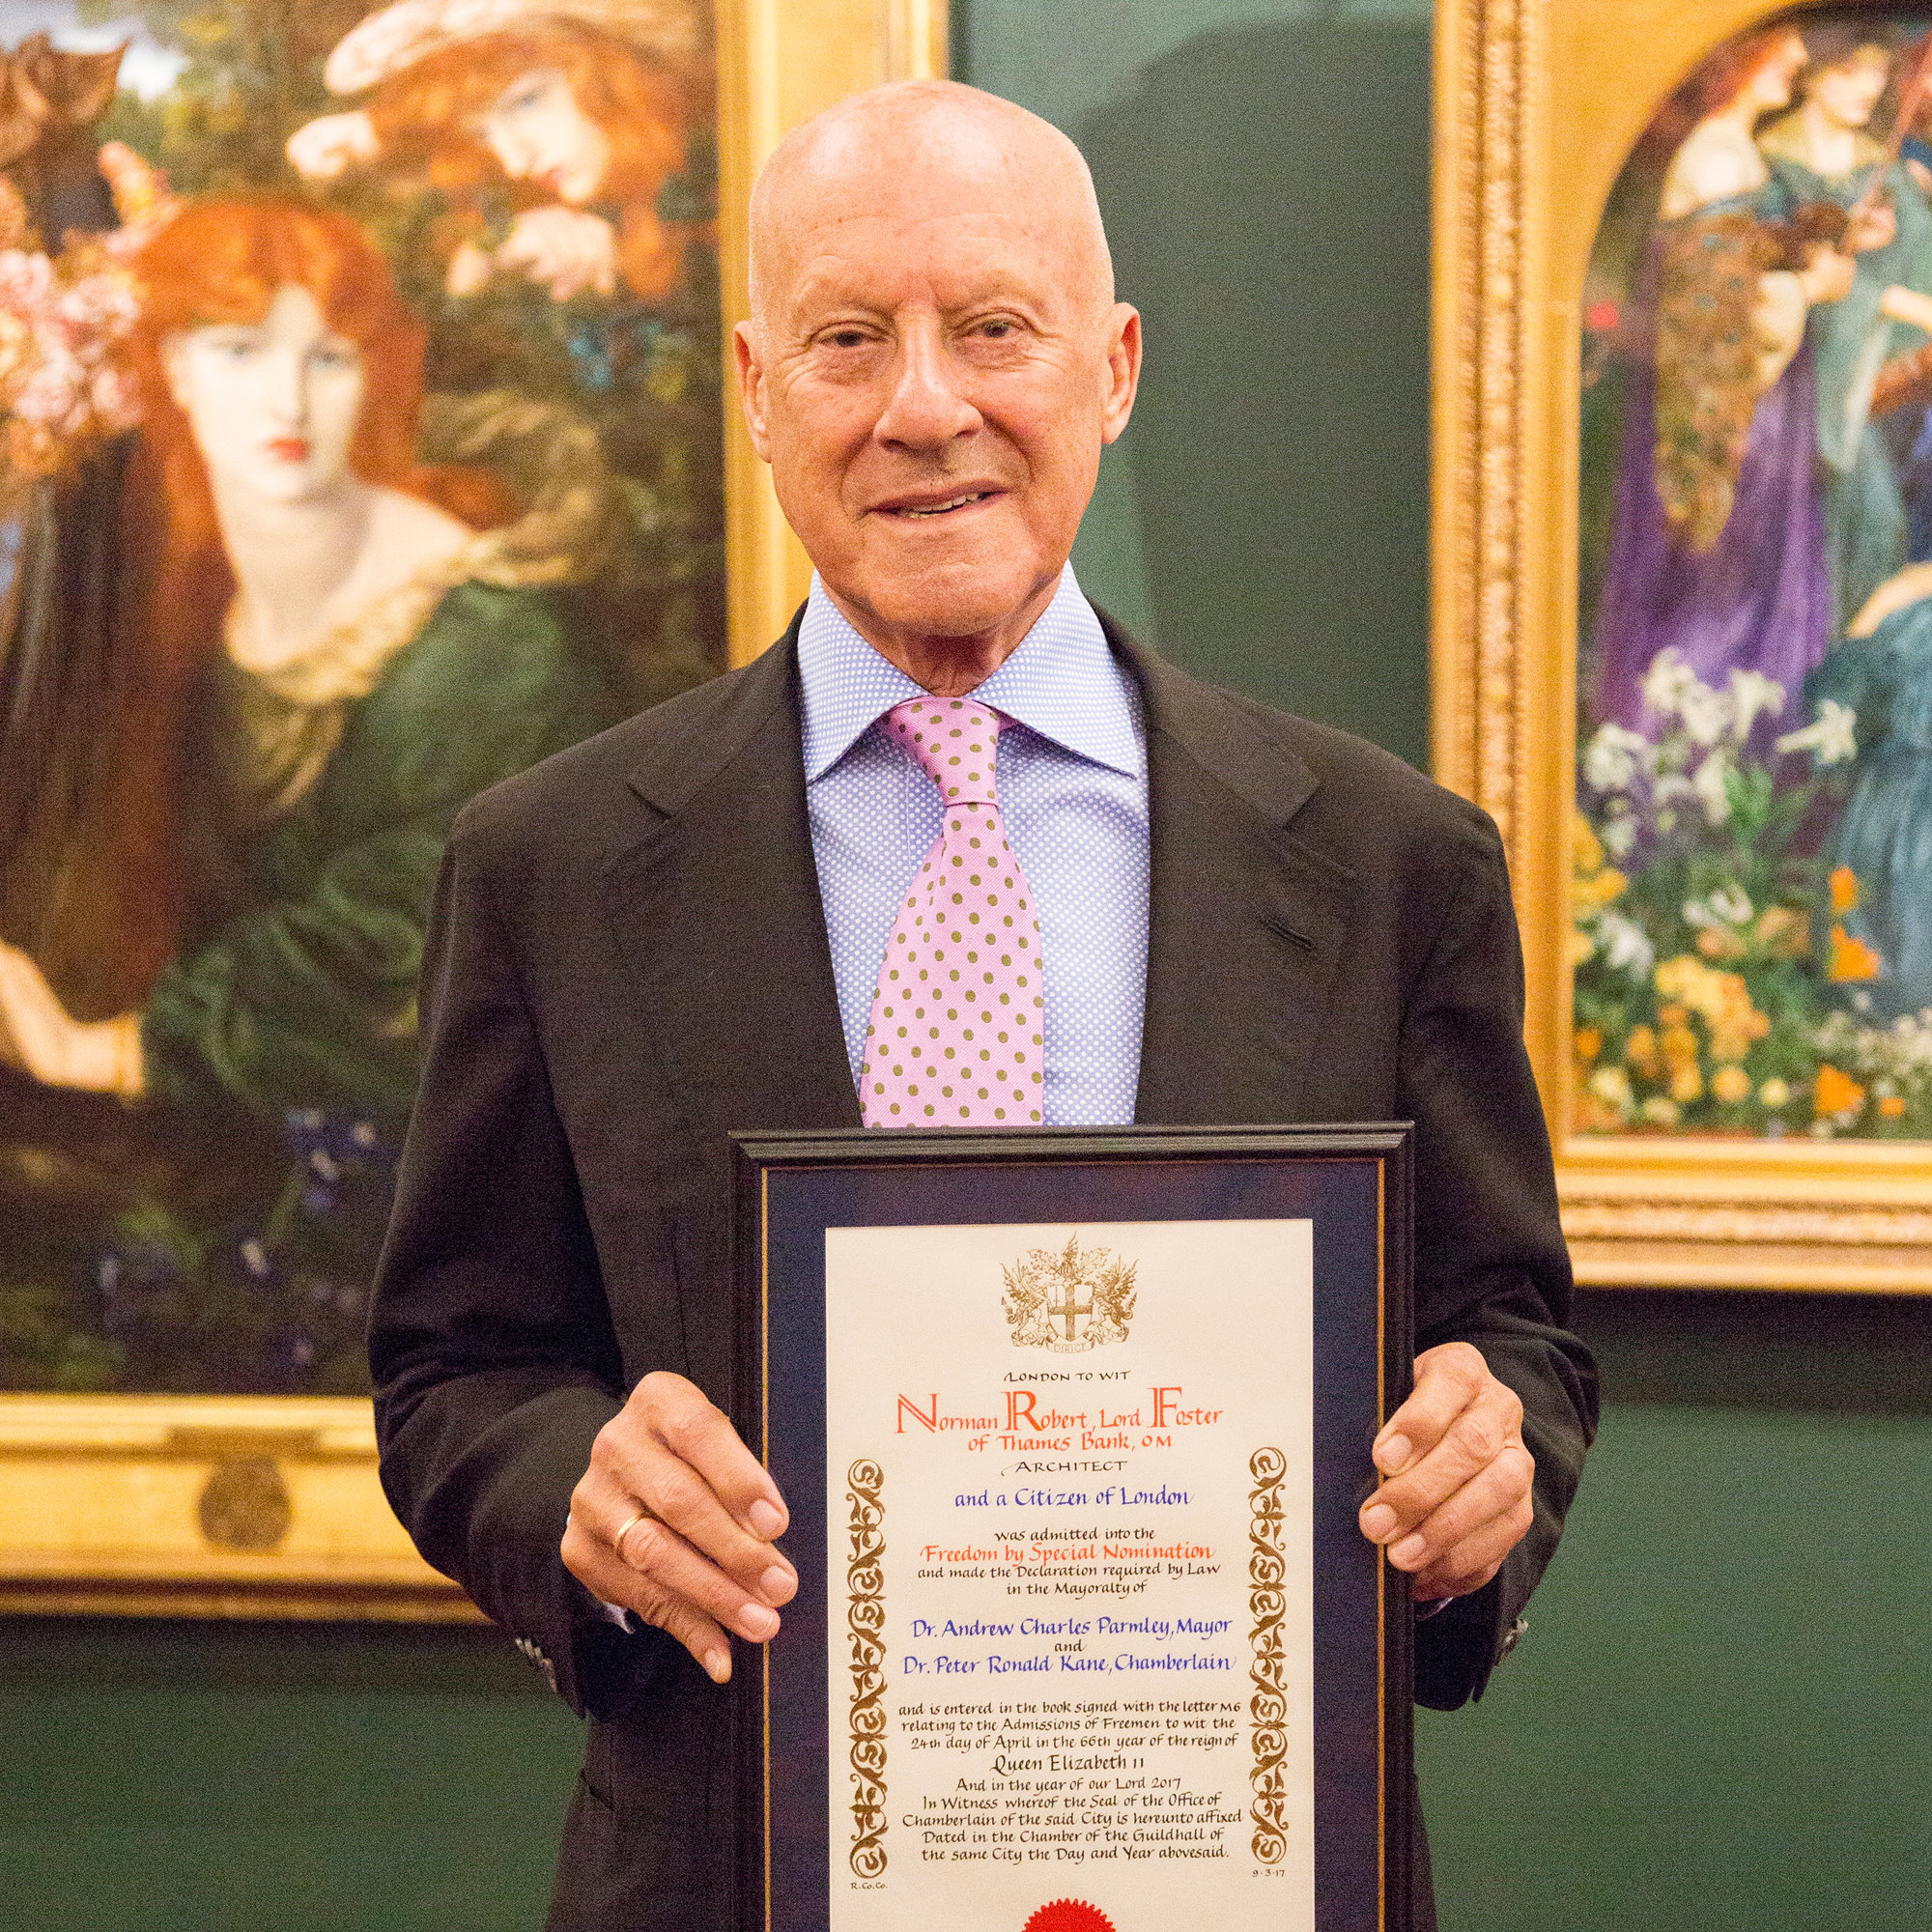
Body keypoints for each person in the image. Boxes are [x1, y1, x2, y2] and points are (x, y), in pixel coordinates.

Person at [367, 81, 1596, 1932]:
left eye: (993, 328)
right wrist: (577, 1494)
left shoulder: (1386, 861)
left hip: (1250, 1867)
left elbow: (1514, 1332)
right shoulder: (550, 863)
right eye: (850, 339)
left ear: (1111, 368)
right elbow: (454, 1370)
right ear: (761, 385)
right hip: (726, 1873)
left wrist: (1486, 1447)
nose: (924, 405)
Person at [0, 198, 619, 1124]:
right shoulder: (198, 615)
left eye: (326, 358)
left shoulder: (492, 652)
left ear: (369, 377)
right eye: (241, 352)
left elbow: (405, 940)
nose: (285, 401)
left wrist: (122, 1048)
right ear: (174, 371)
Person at [1589, 27, 1857, 753]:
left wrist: (1804, 246)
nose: (1800, 61)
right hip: (1736, 422)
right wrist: (1812, 282)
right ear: (1741, 62)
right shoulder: (1714, 156)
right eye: (1784, 49)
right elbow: (1713, 317)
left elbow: (1741, 262)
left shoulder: (1731, 152)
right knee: (1720, 600)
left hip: (1759, 412)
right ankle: (1690, 773)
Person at [287, 17, 696, 305]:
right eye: (483, 133)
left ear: (604, 72)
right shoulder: (542, 219)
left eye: (526, 102)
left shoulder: (710, 173)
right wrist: (479, 267)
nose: (517, 161)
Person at [1759, 26, 1932, 633]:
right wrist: (1884, 292)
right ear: (1812, 72)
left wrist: (1899, 233)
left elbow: (1917, 263)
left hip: (1854, 384)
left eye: (1879, 71)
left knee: (1876, 525)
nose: (1870, 86)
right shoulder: (1769, 161)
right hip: (1783, 384)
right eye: (1851, 69)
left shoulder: (1880, 168)